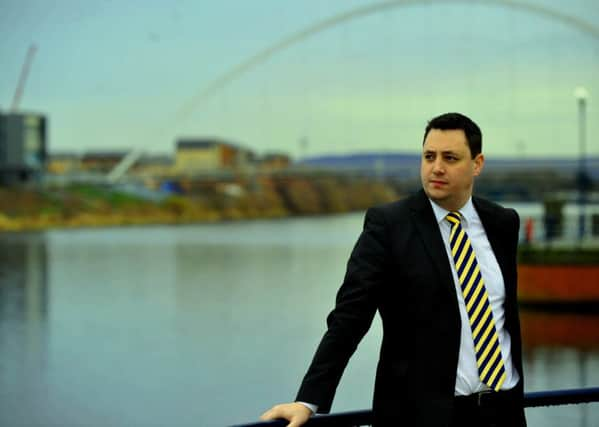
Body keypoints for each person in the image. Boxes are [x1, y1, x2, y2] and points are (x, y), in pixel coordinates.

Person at [260, 112, 527, 427]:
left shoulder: (502, 223)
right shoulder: (389, 226)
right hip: (423, 417)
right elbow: (350, 317)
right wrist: (307, 399)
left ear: (477, 164)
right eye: (429, 156)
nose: (437, 167)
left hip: (504, 413)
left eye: (450, 158)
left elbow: (502, 316)